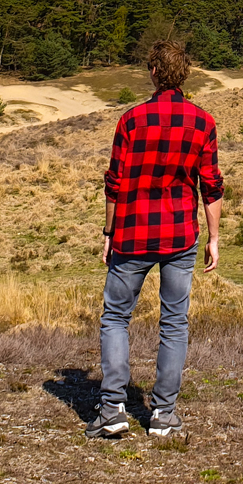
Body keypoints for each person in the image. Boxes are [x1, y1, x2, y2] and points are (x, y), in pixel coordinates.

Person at [87, 39, 223, 439]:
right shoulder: (203, 122)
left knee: (115, 317)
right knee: (174, 322)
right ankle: (163, 414)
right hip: (180, 235)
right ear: (184, 74)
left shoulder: (130, 121)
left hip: (131, 233)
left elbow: (114, 182)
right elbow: (211, 186)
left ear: (152, 72)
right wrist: (214, 237)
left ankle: (112, 409)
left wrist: (109, 233)